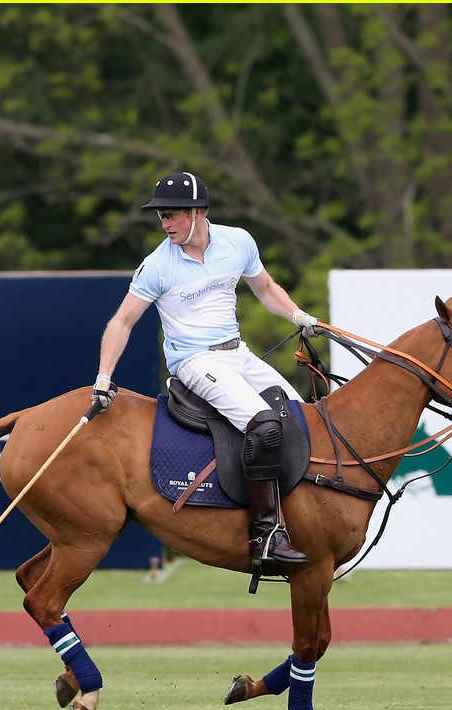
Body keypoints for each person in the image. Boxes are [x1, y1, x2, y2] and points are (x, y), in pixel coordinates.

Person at [92, 171, 319, 569]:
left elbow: (265, 289)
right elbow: (122, 322)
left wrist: (298, 315)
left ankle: (307, 520)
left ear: (198, 212)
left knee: (305, 419)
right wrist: (104, 377)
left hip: (239, 354)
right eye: (161, 216)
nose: (165, 224)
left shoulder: (239, 242)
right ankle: (265, 535)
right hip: (195, 363)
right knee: (265, 427)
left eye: (172, 215)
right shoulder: (156, 266)